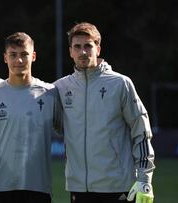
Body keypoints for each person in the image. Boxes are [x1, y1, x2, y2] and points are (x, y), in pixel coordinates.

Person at [53, 22, 155, 203]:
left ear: (98, 49)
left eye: (88, 46)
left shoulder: (120, 84)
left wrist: (144, 179)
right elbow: (30, 93)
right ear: (70, 51)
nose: (83, 52)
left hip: (117, 186)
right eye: (77, 47)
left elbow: (141, 130)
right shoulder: (60, 88)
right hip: (79, 189)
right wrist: (1, 85)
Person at [0, 32, 63, 203]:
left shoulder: (50, 93)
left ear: (33, 56)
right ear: (5, 58)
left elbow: (71, 132)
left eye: (24, 54)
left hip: (39, 189)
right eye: (13, 55)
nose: (19, 60)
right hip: (0, 188)